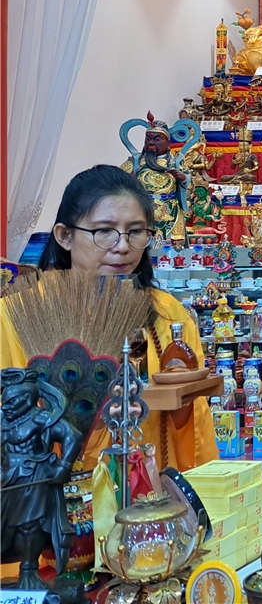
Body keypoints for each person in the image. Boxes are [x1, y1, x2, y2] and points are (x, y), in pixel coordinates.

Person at [0, 165, 217, 471]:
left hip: (151, 491)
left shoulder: (167, 314)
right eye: (104, 231)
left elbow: (196, 426)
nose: (123, 246)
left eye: (136, 232)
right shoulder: (15, 317)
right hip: (52, 492)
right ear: (65, 236)